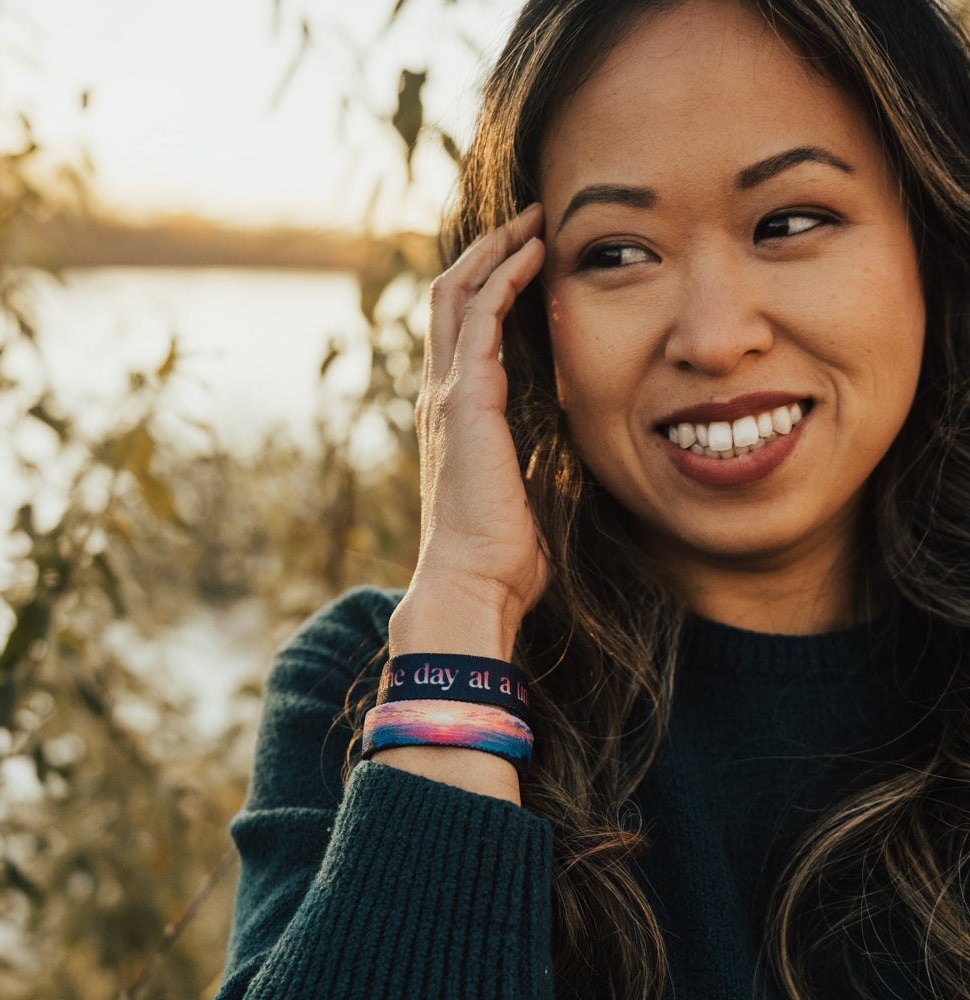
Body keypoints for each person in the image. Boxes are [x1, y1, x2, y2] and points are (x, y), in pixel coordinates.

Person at [216, 0, 970, 997]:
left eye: (788, 222)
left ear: (930, 240)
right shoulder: (371, 687)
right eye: (617, 252)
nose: (711, 336)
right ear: (522, 318)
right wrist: (463, 625)